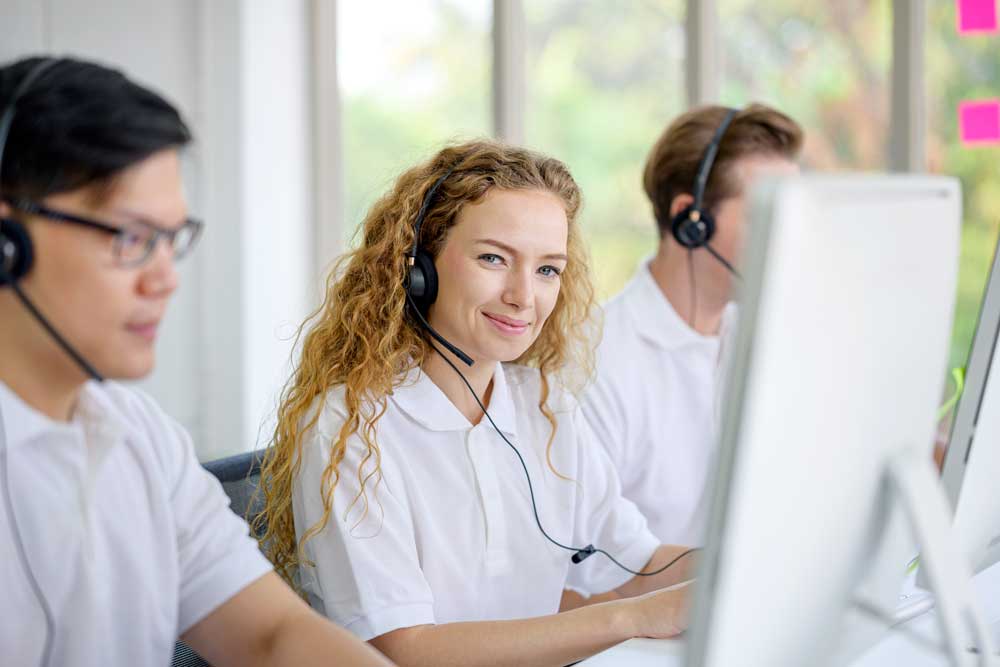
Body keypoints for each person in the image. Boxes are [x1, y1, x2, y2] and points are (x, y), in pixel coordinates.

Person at [0, 55, 392, 667]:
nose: (165, 279)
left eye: (171, 239)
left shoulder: (142, 439)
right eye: (131, 239)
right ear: (8, 245)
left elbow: (272, 636)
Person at [257, 140, 698, 666]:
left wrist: (751, 563)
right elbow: (405, 649)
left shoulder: (544, 406)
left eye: (547, 270)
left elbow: (640, 563)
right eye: (494, 258)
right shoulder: (350, 427)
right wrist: (633, 617)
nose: (523, 296)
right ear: (418, 267)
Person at [581, 104, 803, 548]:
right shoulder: (594, 361)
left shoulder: (772, 342)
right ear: (692, 221)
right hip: (657, 614)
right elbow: (588, 570)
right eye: (768, 213)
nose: (790, 235)